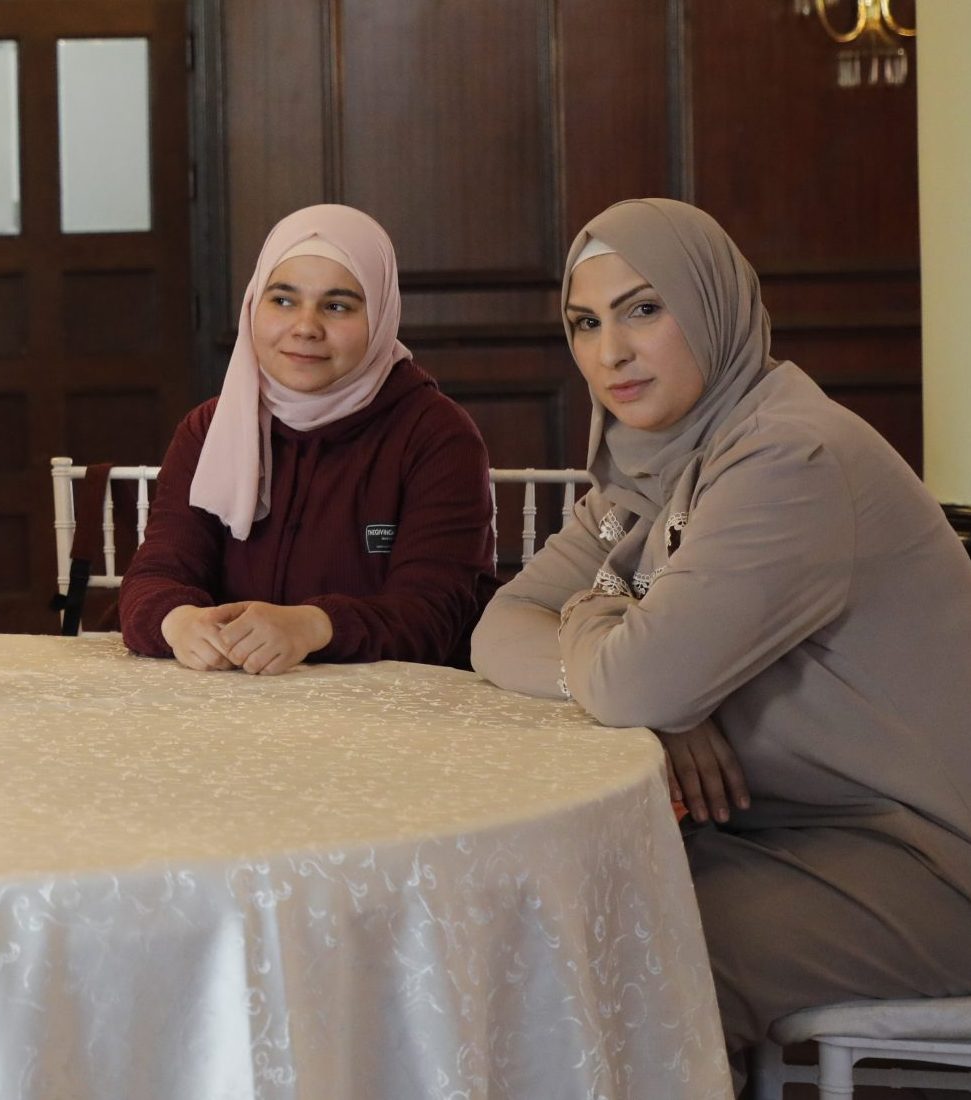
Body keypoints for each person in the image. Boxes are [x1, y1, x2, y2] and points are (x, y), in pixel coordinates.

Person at [471, 198, 971, 1072]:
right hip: (773, 835)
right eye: (584, 323)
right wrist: (654, 684)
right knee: (537, 913)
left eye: (643, 308)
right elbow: (499, 627)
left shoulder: (788, 457)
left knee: (599, 958)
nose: (609, 352)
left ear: (712, 304)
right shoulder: (646, 468)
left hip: (922, 861)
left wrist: (607, 624)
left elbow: (632, 681)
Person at [119, 204, 495, 673]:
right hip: (233, 711)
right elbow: (155, 575)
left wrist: (314, 627)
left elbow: (434, 615)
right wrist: (178, 622)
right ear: (254, 305)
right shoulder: (209, 428)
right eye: (282, 300)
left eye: (337, 306)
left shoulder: (437, 436)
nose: (305, 327)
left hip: (388, 720)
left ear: (380, 315)